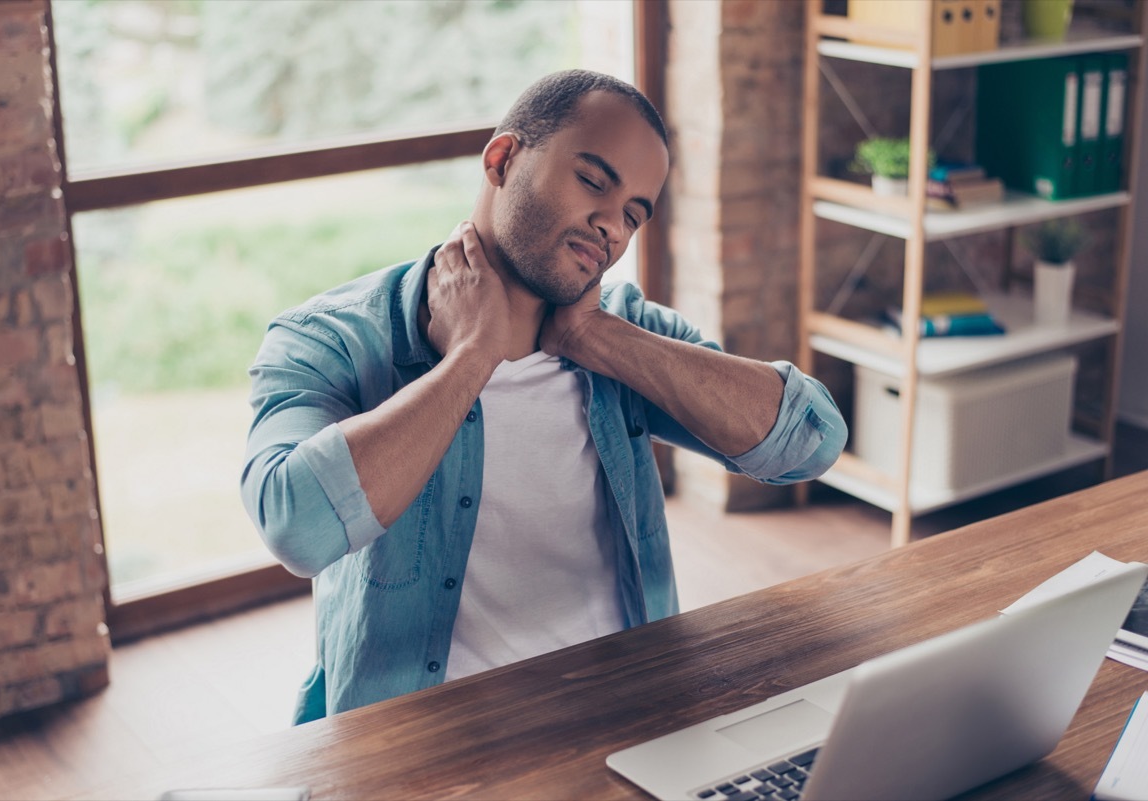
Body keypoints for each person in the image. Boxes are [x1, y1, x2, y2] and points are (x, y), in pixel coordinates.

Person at [240, 70, 847, 723]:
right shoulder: (329, 337)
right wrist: (472, 357)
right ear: (502, 159)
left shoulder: (621, 330)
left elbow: (811, 442)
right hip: (424, 748)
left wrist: (597, 337)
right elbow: (295, 526)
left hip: (632, 716)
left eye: (634, 214)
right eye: (593, 181)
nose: (611, 227)